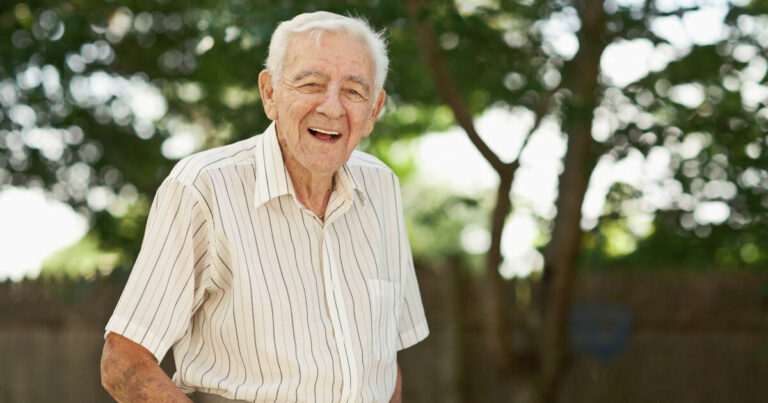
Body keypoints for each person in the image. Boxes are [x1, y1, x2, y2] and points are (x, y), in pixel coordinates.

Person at [99, 11, 429, 403]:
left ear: (374, 111)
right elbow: (123, 363)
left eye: (354, 92)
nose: (333, 107)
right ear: (270, 93)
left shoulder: (382, 188)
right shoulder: (203, 187)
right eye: (311, 84)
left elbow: (382, 364)